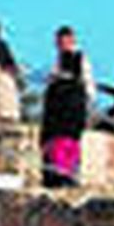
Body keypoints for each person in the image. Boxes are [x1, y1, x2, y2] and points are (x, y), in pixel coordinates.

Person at [41, 27, 93, 186]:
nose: (59, 44)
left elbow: (84, 84)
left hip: (67, 111)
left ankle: (63, 175)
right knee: (59, 143)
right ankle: (60, 174)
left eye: (62, 41)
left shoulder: (77, 58)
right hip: (60, 112)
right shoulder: (60, 59)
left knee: (64, 144)